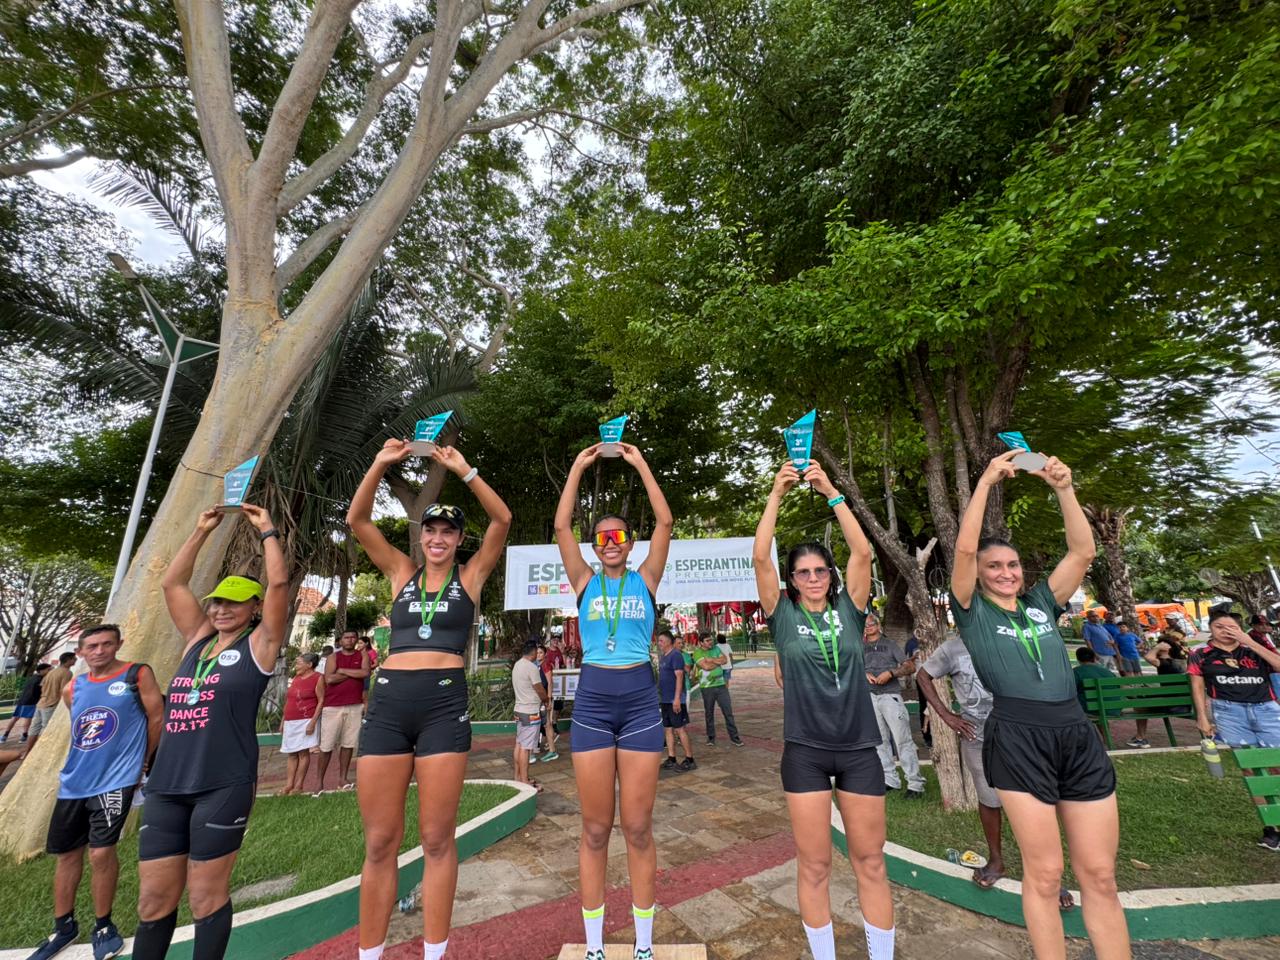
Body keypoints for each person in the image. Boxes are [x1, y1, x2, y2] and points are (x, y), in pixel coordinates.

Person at [950, 450, 1128, 960]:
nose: (1005, 572)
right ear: (981, 574)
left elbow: (1082, 553)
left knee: (1098, 873)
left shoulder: (1042, 604)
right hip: (1018, 737)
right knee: (1047, 873)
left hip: (1076, 735)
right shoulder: (971, 610)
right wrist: (984, 482)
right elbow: (964, 551)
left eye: (1012, 564)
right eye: (994, 566)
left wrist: (1063, 489)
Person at [347, 439, 511, 960]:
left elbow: (502, 521)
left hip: (443, 708)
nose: (438, 538)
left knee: (438, 839)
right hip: (389, 709)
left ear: (460, 540)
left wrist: (466, 471)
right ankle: (369, 953)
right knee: (379, 843)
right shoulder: (400, 574)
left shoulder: (471, 577)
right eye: (430, 530)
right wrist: (378, 464)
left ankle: (433, 953)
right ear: (420, 538)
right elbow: (359, 521)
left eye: (448, 531)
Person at [753, 459, 896, 960]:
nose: (813, 577)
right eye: (804, 572)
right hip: (806, 753)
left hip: (859, 750)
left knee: (869, 862)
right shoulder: (783, 616)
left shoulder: (850, 611)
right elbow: (760, 562)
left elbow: (862, 551)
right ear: (793, 581)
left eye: (820, 571)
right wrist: (776, 494)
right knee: (814, 865)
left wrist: (831, 491)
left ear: (830, 577)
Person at [131, 503, 287, 960]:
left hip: (222, 784)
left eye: (234, 601)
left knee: (204, 898)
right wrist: (200, 531)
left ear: (254, 608)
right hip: (166, 786)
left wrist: (267, 530)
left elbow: (278, 582)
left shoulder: (260, 645)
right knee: (153, 901)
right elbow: (171, 583)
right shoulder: (196, 641)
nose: (221, 609)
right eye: (217, 601)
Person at [555, 440, 673, 960]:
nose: (610, 542)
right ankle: (597, 947)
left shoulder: (646, 579)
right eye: (602, 537)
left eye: (619, 535)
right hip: (595, 703)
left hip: (641, 702)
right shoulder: (583, 582)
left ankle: (644, 946)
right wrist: (579, 468)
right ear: (595, 544)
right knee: (597, 828)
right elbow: (561, 528)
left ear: (629, 542)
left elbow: (665, 523)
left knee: (639, 827)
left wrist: (640, 462)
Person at [26, 625, 163, 960]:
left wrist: (143, 762)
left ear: (118, 644)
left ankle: (103, 925)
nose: (99, 651)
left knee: (101, 853)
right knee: (67, 855)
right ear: (82, 651)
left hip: (116, 781)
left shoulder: (137, 674)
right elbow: (83, 730)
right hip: (74, 783)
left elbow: (156, 717)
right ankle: (63, 927)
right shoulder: (73, 687)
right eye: (92, 646)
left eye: (106, 644)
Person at [1189, 608, 1280, 851]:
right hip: (1230, 712)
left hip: (1266, 709)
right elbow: (1197, 686)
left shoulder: (1254, 649)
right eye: (1220, 627)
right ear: (1211, 629)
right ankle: (1271, 827)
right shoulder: (1201, 654)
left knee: (1276, 764)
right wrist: (1202, 717)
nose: (1226, 631)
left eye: (1232, 627)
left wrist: (1248, 640)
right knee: (1252, 769)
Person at [862, 614, 924, 797]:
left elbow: (910, 667)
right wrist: (864, 674)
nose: (869, 627)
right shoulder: (860, 647)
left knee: (903, 740)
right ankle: (890, 779)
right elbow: (852, 666)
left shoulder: (890, 645)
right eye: (865, 625)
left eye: (872, 623)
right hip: (870, 697)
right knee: (879, 741)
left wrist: (890, 673)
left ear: (878, 625)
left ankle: (915, 783)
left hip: (890, 696)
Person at [314, 629, 368, 792]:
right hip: (333, 706)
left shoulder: (362, 656)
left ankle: (343, 778)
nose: (350, 640)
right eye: (346, 637)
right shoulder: (333, 657)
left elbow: (365, 672)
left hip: (355, 705)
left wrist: (342, 671)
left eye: (353, 637)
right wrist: (354, 674)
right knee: (326, 745)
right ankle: (319, 781)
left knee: (348, 743)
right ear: (340, 640)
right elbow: (329, 678)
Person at [280, 652, 324, 795]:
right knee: (291, 753)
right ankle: (289, 785)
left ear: (309, 665)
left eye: (299, 663)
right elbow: (290, 700)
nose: (296, 665)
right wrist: (283, 720)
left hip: (306, 720)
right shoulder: (296, 678)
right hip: (290, 720)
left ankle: (298, 785)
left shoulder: (318, 678)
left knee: (303, 753)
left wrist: (313, 722)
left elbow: (321, 701)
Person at [691, 633, 742, 747]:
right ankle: (711, 737)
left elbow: (725, 660)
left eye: (711, 640)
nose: (710, 642)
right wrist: (717, 662)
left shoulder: (716, 648)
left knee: (728, 712)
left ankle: (734, 737)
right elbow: (706, 667)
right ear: (701, 643)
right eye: (707, 640)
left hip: (721, 685)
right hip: (707, 688)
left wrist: (711, 660)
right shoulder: (697, 652)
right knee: (709, 713)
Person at [512, 640, 550, 792]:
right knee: (526, 748)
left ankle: (517, 776)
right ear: (533, 652)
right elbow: (540, 689)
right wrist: (546, 700)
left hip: (519, 709)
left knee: (519, 744)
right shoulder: (531, 668)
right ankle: (524, 781)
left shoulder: (518, 664)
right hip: (530, 712)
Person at [24, 651, 77, 757]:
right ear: (69, 660)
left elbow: (42, 686)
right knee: (45, 729)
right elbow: (64, 690)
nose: (75, 660)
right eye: (74, 658)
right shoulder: (67, 673)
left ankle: (27, 752)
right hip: (51, 704)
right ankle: (39, 754)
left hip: (41, 703)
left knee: (34, 728)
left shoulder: (51, 672)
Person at [656, 630, 695, 771]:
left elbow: (679, 677)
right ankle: (671, 758)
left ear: (668, 641)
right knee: (668, 729)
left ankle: (689, 759)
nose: (659, 643)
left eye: (661, 640)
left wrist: (677, 699)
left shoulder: (676, 656)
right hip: (665, 699)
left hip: (674, 700)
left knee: (680, 729)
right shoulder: (663, 656)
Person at [0, 663, 49, 743]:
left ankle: (5, 736)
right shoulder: (40, 679)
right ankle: (23, 736)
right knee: (26, 718)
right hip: (30, 701)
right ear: (42, 670)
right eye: (48, 669)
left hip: (22, 700)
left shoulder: (33, 677)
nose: (49, 671)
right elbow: (35, 692)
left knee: (16, 718)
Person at [542, 635, 567, 760]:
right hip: (546, 688)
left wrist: (563, 652)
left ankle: (554, 726)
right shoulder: (545, 656)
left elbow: (565, 664)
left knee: (553, 712)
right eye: (554, 639)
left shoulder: (558, 652)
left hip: (555, 685)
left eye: (557, 639)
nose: (555, 641)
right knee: (546, 721)